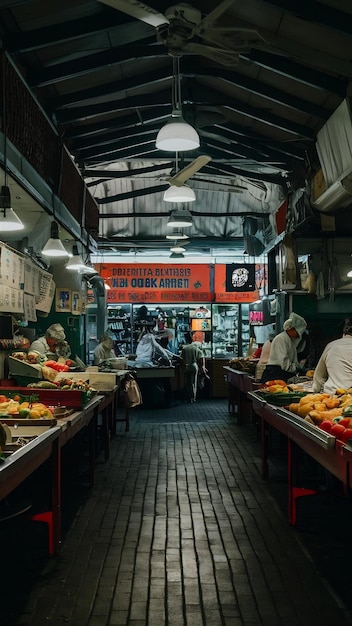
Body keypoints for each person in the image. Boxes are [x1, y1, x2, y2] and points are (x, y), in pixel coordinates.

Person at [260, 312, 307, 383]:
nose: (298, 335)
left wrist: (298, 368)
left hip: (281, 374)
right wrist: (298, 369)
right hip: (275, 374)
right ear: (291, 329)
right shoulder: (281, 339)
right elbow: (284, 363)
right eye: (298, 332)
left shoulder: (289, 340)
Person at [312, 319, 352, 395]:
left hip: (331, 396)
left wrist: (316, 390)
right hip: (348, 397)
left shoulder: (331, 346)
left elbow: (319, 376)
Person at [181, 332, 207, 403]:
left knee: (187, 382)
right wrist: (203, 368)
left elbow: (181, 358)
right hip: (194, 366)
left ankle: (187, 397)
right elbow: (201, 358)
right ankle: (193, 398)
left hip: (186, 366)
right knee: (193, 382)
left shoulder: (184, 348)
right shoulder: (197, 349)